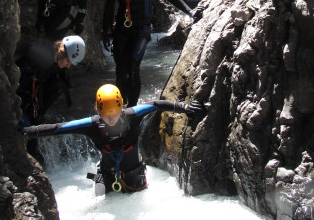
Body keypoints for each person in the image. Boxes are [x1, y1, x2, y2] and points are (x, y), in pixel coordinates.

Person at [20, 83, 204, 195]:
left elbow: (156, 104)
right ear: (98, 111)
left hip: (134, 176)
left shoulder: (132, 115)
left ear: (121, 108)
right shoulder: (92, 125)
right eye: (107, 117)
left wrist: (185, 107)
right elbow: (59, 128)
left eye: (115, 115)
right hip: (106, 176)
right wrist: (28, 131)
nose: (111, 120)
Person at [102, 0, 200, 106]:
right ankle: (121, 104)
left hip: (141, 29)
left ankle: (132, 107)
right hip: (121, 28)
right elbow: (109, 6)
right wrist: (106, 31)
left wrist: (190, 12)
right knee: (121, 70)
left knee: (133, 67)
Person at [16, 35, 86, 126]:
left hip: (31, 88)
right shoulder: (41, 53)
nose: (68, 66)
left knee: (59, 85)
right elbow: (19, 47)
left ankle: (38, 116)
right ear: (61, 52)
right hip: (20, 85)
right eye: (68, 61)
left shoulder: (57, 63)